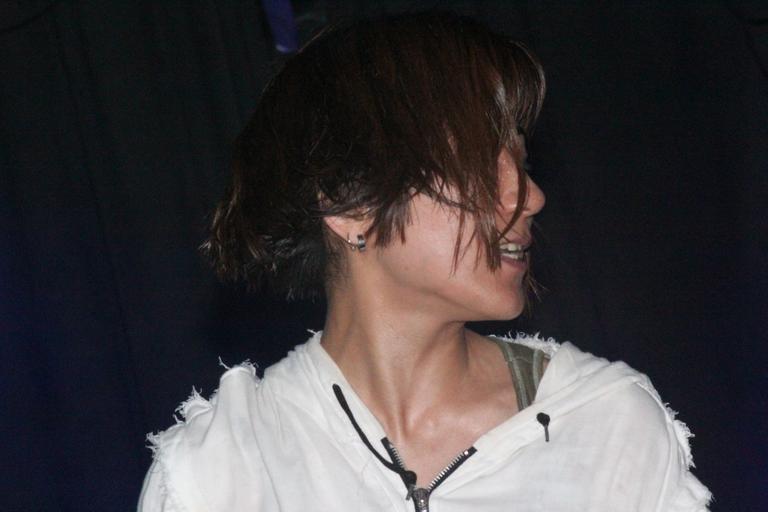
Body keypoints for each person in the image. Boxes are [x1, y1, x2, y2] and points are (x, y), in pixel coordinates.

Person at [137, 12, 712, 512]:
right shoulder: (223, 468)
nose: (530, 196)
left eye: (522, 161)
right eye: (480, 163)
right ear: (350, 204)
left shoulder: (607, 425)